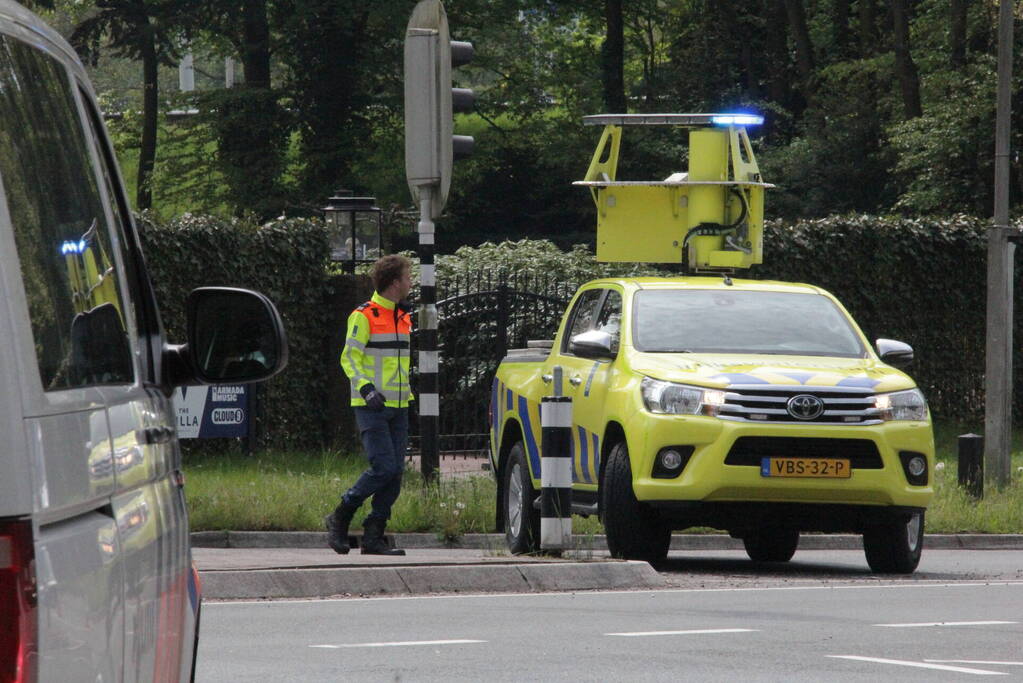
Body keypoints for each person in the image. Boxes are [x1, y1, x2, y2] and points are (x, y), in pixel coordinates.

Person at [327, 254, 414, 556]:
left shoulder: (403, 317)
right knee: (384, 467)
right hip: (371, 405)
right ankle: (341, 514)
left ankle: (374, 536)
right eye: (408, 277)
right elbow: (349, 357)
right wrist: (365, 389)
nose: (411, 282)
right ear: (394, 282)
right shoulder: (364, 316)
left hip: (399, 405)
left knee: (395, 473)